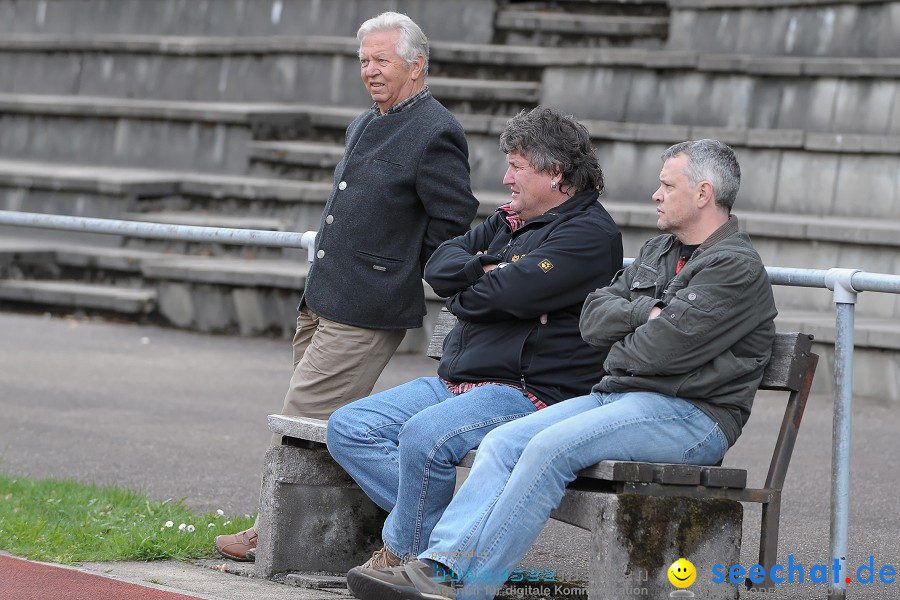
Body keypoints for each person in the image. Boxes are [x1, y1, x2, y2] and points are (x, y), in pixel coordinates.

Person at [345, 139, 778, 600]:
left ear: (703, 193)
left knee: (546, 447)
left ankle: (463, 588)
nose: (655, 194)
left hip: (690, 416)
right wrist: (640, 318)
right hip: (621, 398)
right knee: (504, 441)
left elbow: (662, 353)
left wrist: (628, 338)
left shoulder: (733, 267)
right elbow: (594, 319)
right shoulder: (658, 251)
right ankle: (439, 566)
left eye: (666, 185)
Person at [214, 11, 479, 562]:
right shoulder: (365, 121)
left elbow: (451, 222)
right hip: (323, 296)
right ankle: (354, 528)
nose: (370, 70)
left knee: (299, 413)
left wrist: (417, 272)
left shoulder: (436, 130)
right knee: (315, 424)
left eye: (382, 60)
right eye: (364, 60)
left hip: (366, 306)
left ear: (417, 65)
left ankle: (273, 528)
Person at [326, 107, 623, 571]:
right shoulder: (509, 222)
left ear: (555, 173)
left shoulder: (589, 234)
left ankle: (403, 557)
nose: (506, 178)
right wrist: (482, 274)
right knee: (348, 427)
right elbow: (439, 263)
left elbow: (507, 293)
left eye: (517, 166)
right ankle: (443, 540)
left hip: (526, 391)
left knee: (424, 436)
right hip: (459, 380)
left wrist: (468, 291)